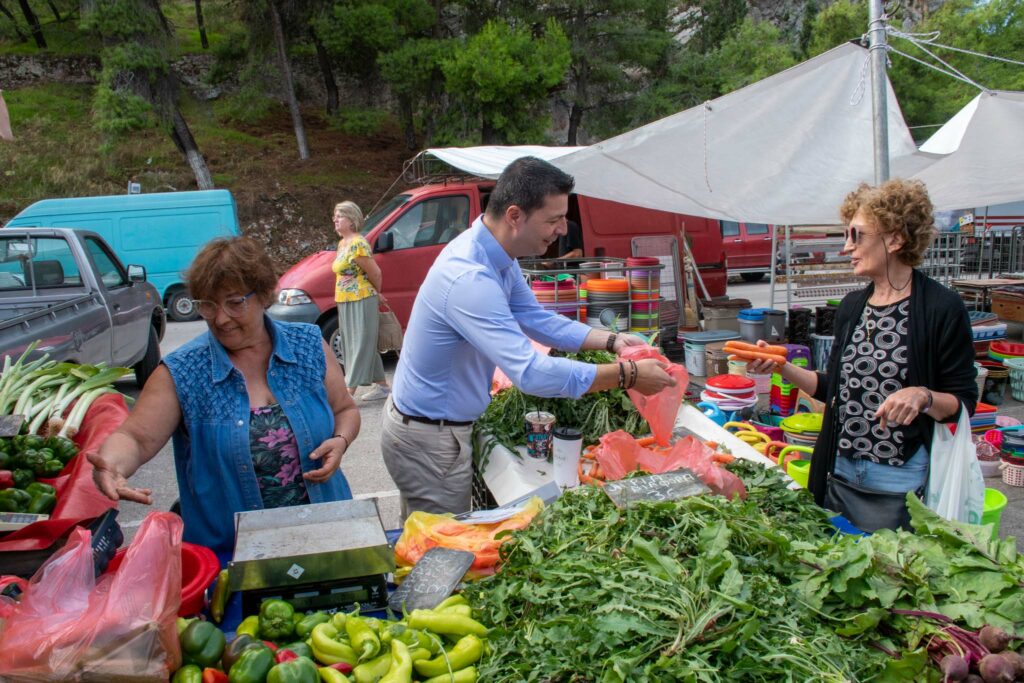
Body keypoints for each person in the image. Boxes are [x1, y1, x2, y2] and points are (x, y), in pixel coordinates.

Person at [382, 157, 677, 520]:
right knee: (440, 552)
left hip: (436, 430)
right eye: (552, 219)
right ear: (515, 215)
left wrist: (613, 342)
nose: (561, 230)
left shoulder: (499, 256)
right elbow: (531, 373)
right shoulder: (469, 277)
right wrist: (627, 375)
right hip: (429, 440)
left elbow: (536, 319)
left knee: (428, 543)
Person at [89, 237, 359, 557]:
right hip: (230, 557)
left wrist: (340, 440)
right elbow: (135, 437)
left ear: (262, 296)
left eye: (234, 302)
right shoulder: (184, 372)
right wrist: (111, 466)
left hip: (326, 538)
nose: (220, 319)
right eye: (208, 304)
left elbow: (345, 409)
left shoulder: (309, 345)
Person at [746, 179, 977, 529]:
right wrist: (784, 367)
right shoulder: (852, 307)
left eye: (857, 235)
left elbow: (964, 403)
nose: (846, 247)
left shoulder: (941, 308)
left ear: (895, 239)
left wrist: (923, 396)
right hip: (838, 472)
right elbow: (833, 388)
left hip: (898, 484)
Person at [331, 201, 391, 401]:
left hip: (362, 298)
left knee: (361, 343)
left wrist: (376, 293)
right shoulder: (343, 243)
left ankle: (349, 391)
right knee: (355, 343)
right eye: (335, 216)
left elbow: (376, 273)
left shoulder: (358, 243)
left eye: (339, 216)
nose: (335, 220)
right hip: (345, 299)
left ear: (351, 219)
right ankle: (383, 386)